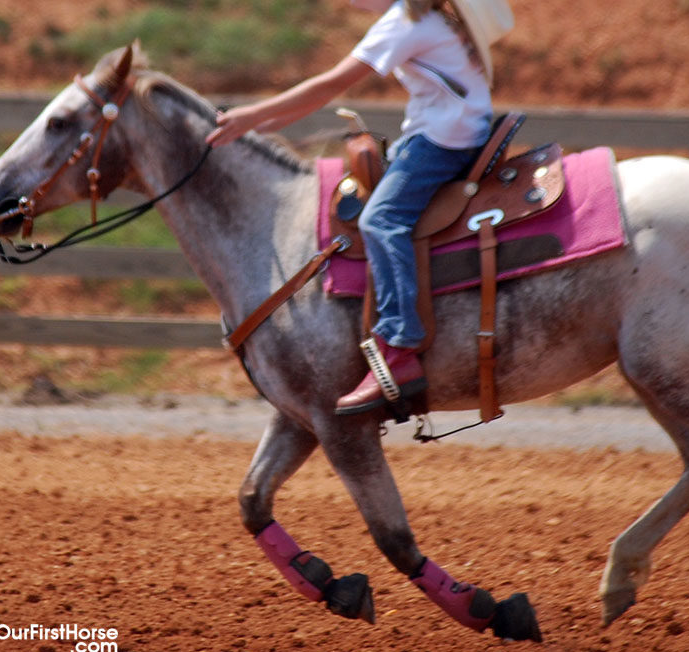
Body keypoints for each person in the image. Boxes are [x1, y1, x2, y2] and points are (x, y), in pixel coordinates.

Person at [207, 0, 513, 415]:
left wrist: (252, 116)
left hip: (443, 140)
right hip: (451, 128)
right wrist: (262, 122)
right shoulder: (429, 16)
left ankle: (399, 346)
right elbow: (324, 92)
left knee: (381, 219)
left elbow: (331, 84)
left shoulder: (404, 22)